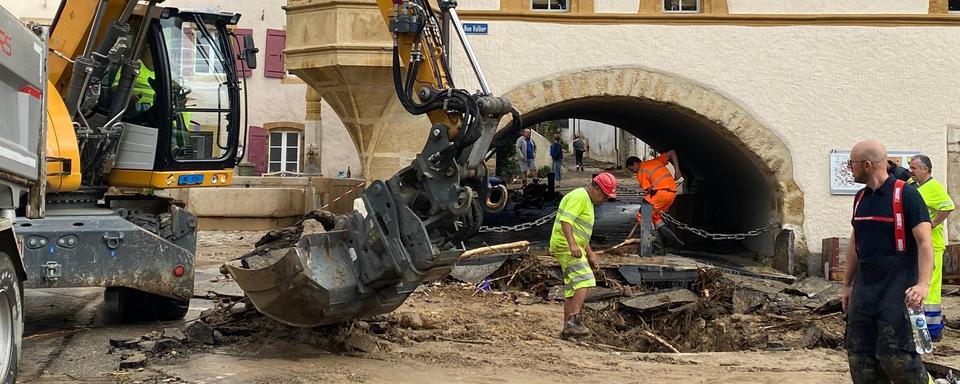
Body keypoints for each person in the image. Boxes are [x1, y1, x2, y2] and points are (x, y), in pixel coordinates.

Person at [842, 140, 934, 384]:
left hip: (898, 290)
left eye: (852, 163)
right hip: (865, 291)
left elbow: (925, 243)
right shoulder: (860, 198)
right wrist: (847, 285)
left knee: (898, 359)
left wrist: (923, 285)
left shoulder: (907, 195)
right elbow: (855, 242)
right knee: (860, 359)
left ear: (868, 165)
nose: (850, 168)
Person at [549, 172, 617, 339]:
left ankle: (567, 328)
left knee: (572, 289)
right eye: (605, 196)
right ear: (596, 189)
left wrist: (590, 253)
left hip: (571, 245)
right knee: (585, 279)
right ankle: (574, 321)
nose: (605, 200)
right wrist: (572, 244)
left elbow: (581, 232)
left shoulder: (587, 201)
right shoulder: (579, 196)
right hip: (565, 245)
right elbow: (566, 221)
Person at [908, 154, 955, 342]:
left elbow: (948, 206)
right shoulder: (915, 186)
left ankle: (933, 329)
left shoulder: (934, 188)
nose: (911, 171)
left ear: (925, 169)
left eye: (914, 168)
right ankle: (920, 326)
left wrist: (933, 223)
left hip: (932, 246)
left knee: (931, 287)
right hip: (920, 245)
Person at [625, 150, 685, 247]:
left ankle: (652, 247)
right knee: (656, 218)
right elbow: (672, 152)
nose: (633, 172)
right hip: (672, 193)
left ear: (636, 164)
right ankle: (676, 242)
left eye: (632, 169)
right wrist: (677, 170)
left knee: (642, 216)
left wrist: (645, 202)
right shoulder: (656, 161)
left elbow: (650, 190)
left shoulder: (641, 171)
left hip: (660, 194)